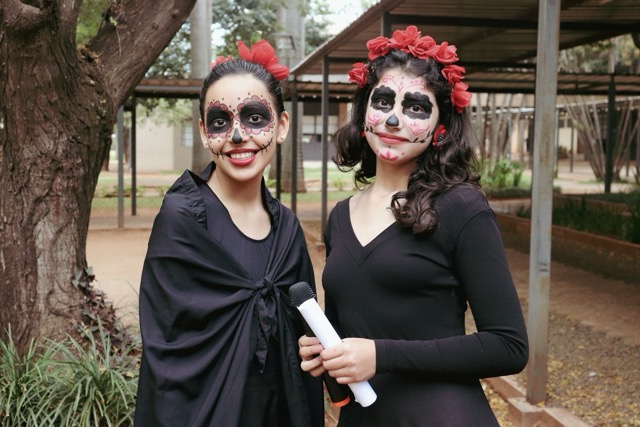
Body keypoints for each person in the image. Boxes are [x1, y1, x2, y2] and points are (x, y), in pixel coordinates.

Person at [299, 26, 529, 426]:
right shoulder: (339, 217)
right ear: (363, 111)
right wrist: (324, 350)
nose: (393, 118)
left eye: (416, 108)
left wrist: (381, 355)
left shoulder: (461, 208)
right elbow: (349, 328)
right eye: (383, 101)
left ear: (441, 127)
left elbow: (509, 346)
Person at [134, 38, 323, 427]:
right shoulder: (183, 219)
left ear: (281, 126)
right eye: (220, 122)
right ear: (204, 133)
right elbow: (166, 346)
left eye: (254, 117)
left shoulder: (287, 228)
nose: (238, 136)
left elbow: (306, 335)